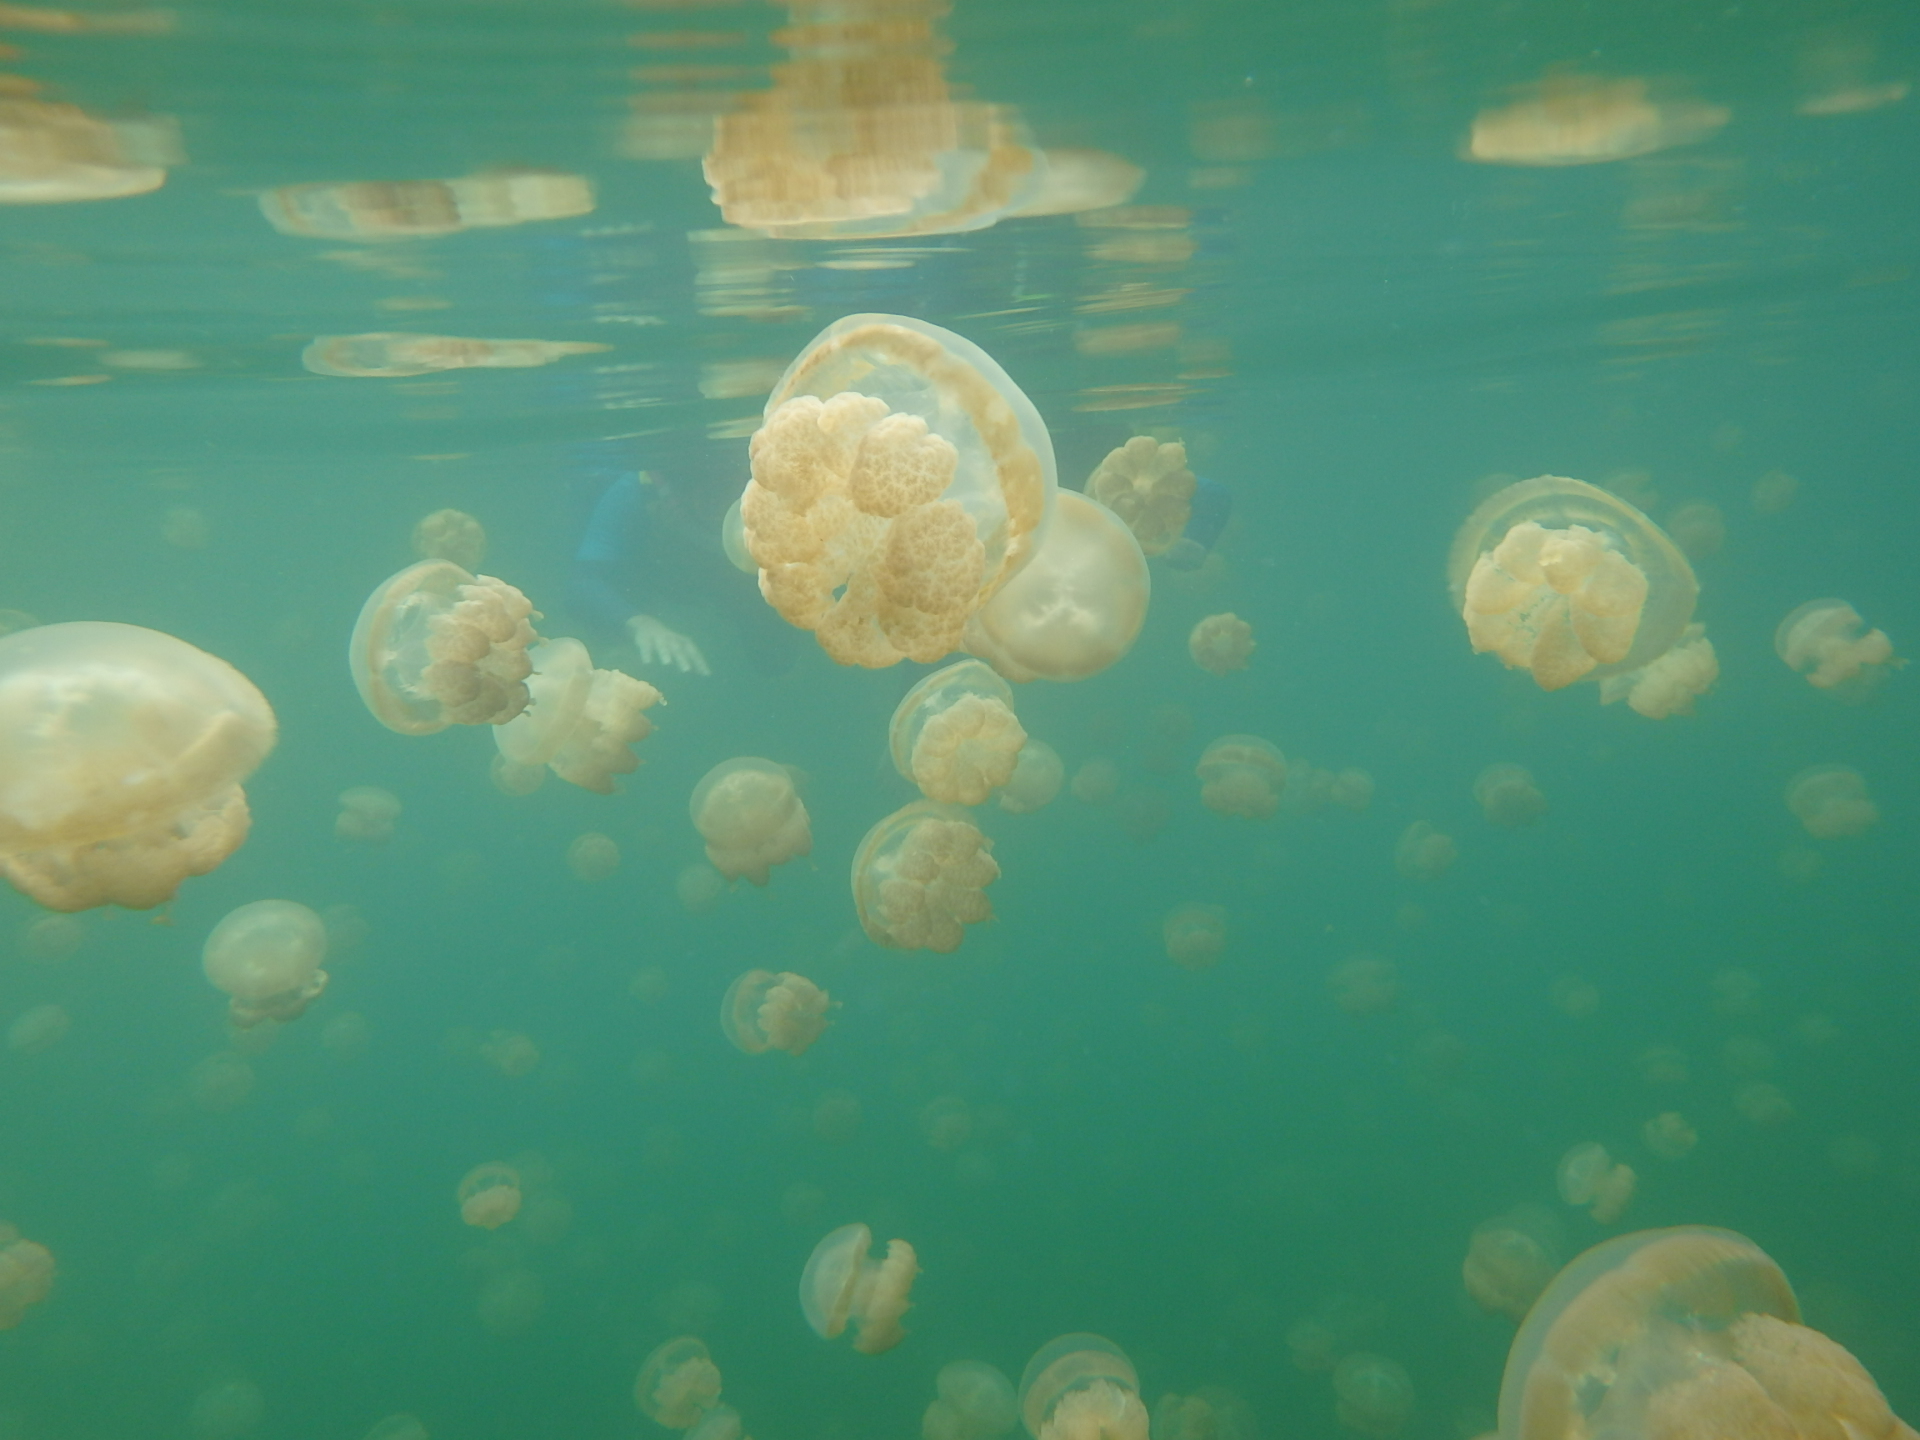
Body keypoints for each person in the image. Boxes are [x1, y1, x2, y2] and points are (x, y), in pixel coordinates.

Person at [568, 466, 799, 677]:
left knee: (775, 662)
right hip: (660, 576)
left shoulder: (765, 473)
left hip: (737, 580)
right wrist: (638, 622)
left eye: (718, 494)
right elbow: (586, 577)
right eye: (706, 498)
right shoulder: (635, 489)